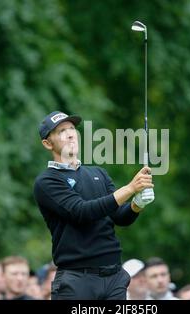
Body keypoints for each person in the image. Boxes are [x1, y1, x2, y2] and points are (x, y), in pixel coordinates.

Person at [34, 111, 155, 300]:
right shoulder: (47, 181)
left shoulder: (98, 173)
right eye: (61, 131)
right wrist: (130, 188)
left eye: (72, 129)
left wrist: (137, 204)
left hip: (114, 276)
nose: (71, 134)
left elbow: (119, 216)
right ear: (47, 143)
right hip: (77, 279)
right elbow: (82, 211)